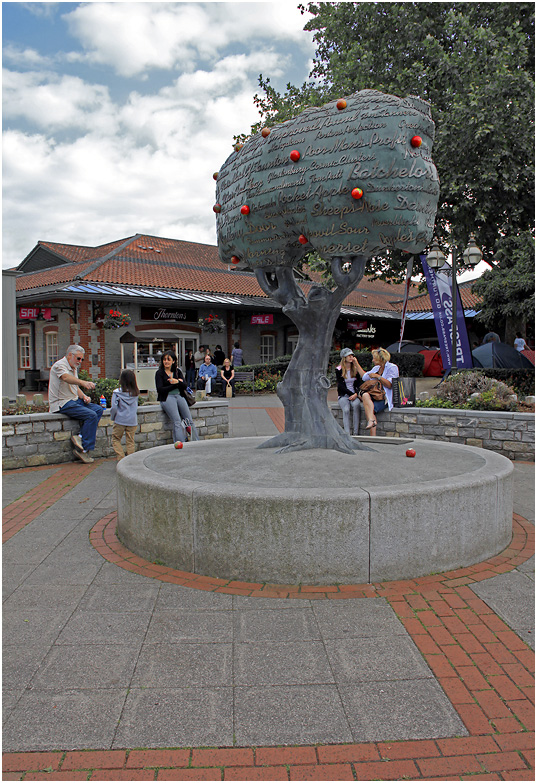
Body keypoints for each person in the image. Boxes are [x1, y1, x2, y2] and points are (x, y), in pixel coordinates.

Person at [48, 344, 103, 463]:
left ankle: (80, 438)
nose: (80, 361)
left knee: (98, 409)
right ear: (69, 355)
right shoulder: (59, 365)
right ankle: (85, 449)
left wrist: (84, 396)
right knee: (91, 415)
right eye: (78, 358)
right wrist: (83, 382)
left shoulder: (73, 367)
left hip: (73, 401)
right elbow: (66, 378)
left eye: (82, 359)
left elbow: (73, 386)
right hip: (61, 403)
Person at [155, 351, 199, 443]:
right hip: (167, 397)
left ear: (174, 361)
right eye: (164, 359)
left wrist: (178, 382)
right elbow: (160, 389)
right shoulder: (159, 373)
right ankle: (180, 443)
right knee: (177, 421)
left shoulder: (177, 371)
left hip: (180, 396)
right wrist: (175, 384)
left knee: (189, 420)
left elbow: (185, 385)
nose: (166, 361)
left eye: (168, 359)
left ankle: (196, 441)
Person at [355, 347, 399, 437]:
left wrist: (378, 377)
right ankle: (371, 421)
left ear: (380, 359)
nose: (372, 360)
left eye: (374, 358)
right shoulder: (376, 368)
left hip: (384, 397)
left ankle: (372, 434)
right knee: (365, 395)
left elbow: (390, 385)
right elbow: (364, 377)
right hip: (374, 395)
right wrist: (356, 363)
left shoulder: (392, 367)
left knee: (371, 410)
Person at [110, 370, 139, 461]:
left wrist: (113, 417)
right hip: (132, 420)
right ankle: (130, 460)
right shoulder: (136, 393)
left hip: (120, 420)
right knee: (130, 441)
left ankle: (121, 457)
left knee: (116, 439)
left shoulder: (117, 392)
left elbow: (114, 408)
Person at [336, 348, 362, 436]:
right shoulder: (339, 369)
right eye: (349, 356)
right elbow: (341, 386)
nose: (351, 357)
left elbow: (359, 383)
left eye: (352, 355)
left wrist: (356, 394)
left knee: (356, 405)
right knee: (346, 410)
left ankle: (356, 433)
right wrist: (352, 394)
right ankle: (347, 434)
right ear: (344, 357)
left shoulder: (354, 368)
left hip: (354, 394)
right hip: (344, 395)